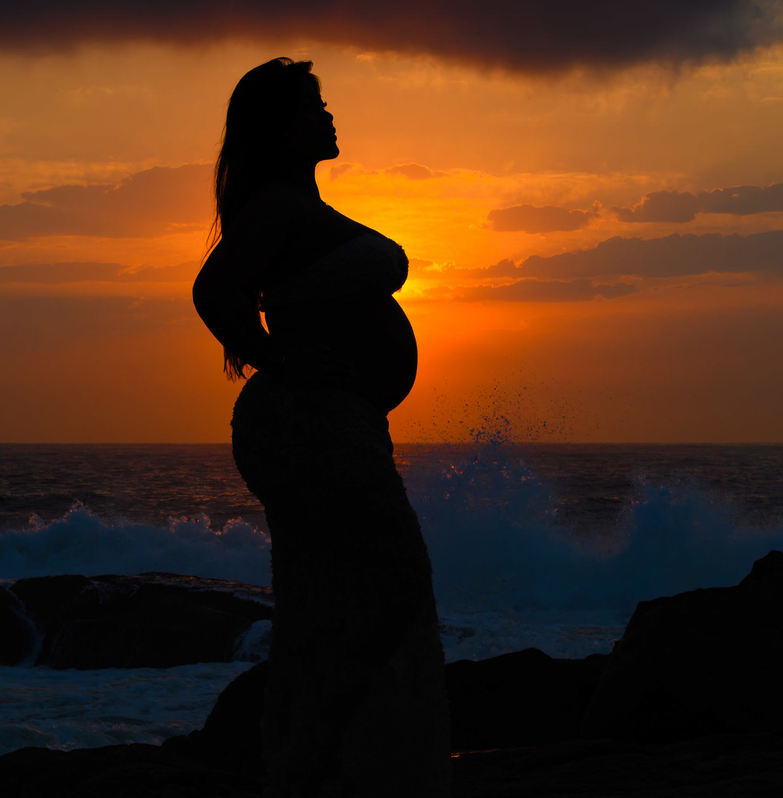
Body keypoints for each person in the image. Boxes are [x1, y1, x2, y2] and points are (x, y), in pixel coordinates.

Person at [193, 58, 451, 797]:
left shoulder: (294, 205)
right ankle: (350, 767)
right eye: (315, 106)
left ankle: (332, 764)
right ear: (281, 128)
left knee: (339, 603)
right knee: (384, 588)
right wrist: (281, 363)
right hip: (314, 430)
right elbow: (213, 291)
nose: (331, 117)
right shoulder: (276, 205)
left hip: (338, 425)